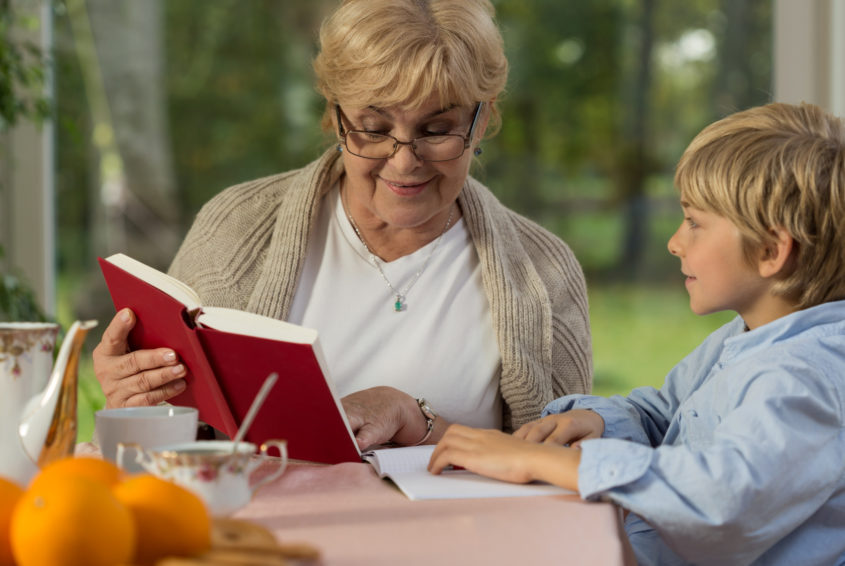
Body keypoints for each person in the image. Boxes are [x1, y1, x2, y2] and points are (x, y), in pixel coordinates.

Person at [92, 0, 593, 451]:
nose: (404, 162)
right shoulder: (235, 228)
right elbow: (175, 447)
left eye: (437, 130)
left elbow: (565, 467)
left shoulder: (543, 270)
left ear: (481, 122)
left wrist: (417, 422)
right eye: (374, 129)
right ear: (335, 116)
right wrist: (135, 397)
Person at [428, 102, 845, 565]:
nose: (674, 241)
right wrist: (601, 422)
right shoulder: (747, 336)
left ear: (771, 250)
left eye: (694, 222)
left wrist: (550, 463)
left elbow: (724, 502)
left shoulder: (802, 378)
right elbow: (667, 415)